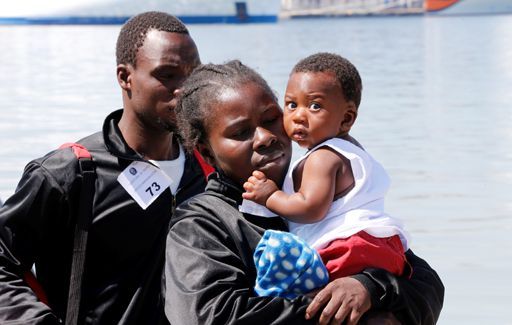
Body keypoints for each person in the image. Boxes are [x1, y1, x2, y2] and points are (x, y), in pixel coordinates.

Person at [165, 60, 444, 324]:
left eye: (272, 119)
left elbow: (427, 283)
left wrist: (370, 287)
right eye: (241, 133)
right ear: (206, 153)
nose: (264, 137)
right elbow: (209, 316)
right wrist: (339, 311)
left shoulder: (319, 192)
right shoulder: (200, 224)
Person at [0, 12, 207, 324]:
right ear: (125, 77)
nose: (184, 89)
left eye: (193, 75)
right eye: (167, 75)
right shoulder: (69, 174)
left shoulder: (208, 168)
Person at [242, 52, 409, 298]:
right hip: (381, 244)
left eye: (315, 106)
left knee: (297, 293)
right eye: (291, 104)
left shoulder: (322, 158)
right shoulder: (351, 149)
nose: (299, 115)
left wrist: (270, 196)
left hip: (346, 249)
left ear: (346, 118)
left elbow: (311, 208)